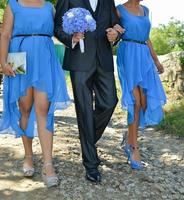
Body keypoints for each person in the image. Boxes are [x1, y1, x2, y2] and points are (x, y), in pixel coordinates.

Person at [0, 0, 71, 187]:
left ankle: (48, 164)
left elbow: (60, 31)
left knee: (44, 108)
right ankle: (29, 155)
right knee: (25, 107)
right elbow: (5, 34)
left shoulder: (49, 7)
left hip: (44, 56)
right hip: (18, 56)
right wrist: (3, 62)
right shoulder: (12, 5)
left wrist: (75, 33)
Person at [54, 0, 122, 183]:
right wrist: (72, 39)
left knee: (109, 102)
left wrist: (115, 34)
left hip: (104, 60)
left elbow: (116, 24)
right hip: (79, 60)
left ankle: (87, 138)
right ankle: (91, 164)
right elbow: (58, 27)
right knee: (84, 110)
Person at [115, 0, 166, 170]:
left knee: (144, 103)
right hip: (128, 55)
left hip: (144, 56)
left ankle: (129, 137)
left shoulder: (145, 10)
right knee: (135, 102)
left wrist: (156, 60)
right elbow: (112, 33)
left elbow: (147, 37)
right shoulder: (119, 10)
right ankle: (133, 148)